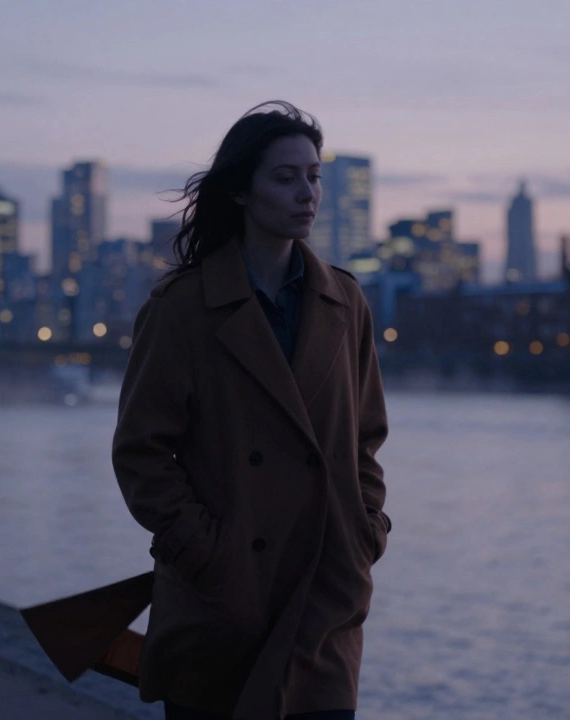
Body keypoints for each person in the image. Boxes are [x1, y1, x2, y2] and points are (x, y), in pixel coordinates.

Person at [112, 101, 391, 720]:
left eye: (314, 176)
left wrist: (364, 533)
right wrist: (206, 553)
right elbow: (141, 452)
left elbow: (365, 438)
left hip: (323, 601)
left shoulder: (345, 302)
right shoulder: (182, 308)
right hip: (221, 606)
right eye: (285, 177)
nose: (307, 193)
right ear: (240, 190)